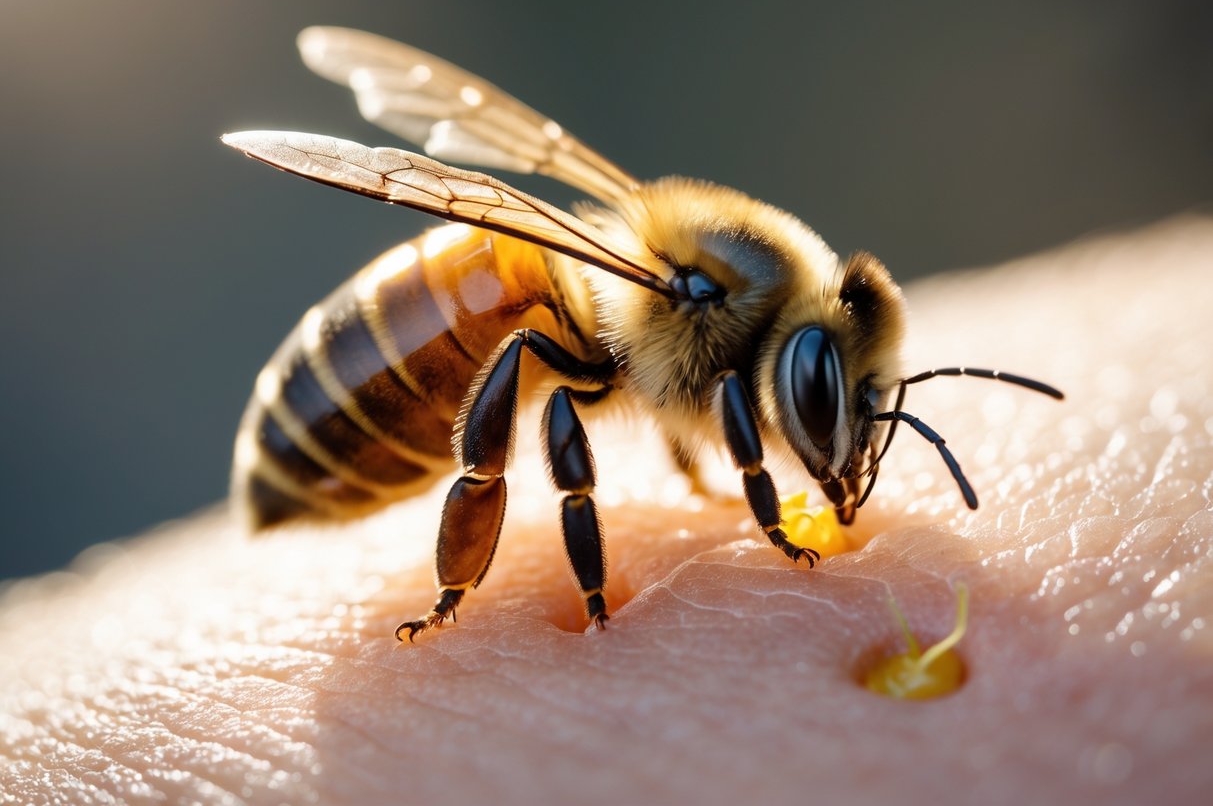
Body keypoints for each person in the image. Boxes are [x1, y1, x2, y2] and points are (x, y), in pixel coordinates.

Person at [2, 218, 1209, 805]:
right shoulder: (683, 311)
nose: (835, 442)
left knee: (545, 351)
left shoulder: (720, 320)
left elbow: (705, 386)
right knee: (535, 353)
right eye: (824, 405)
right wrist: (649, 574)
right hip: (378, 377)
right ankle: (456, 585)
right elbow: (654, 396)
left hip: (472, 320)